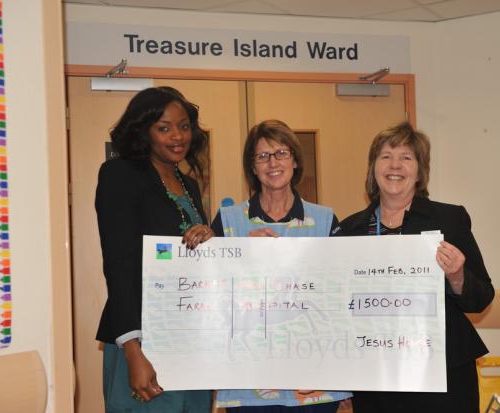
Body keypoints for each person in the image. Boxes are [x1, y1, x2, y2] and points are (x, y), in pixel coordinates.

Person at [339, 122, 494, 413]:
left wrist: (457, 276)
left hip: (442, 372)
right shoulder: (349, 229)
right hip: (374, 372)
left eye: (406, 157)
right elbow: (336, 307)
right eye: (386, 156)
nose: (395, 165)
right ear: (373, 168)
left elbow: (481, 298)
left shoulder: (449, 219)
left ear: (420, 171)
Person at [210, 119, 352, 412]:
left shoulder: (325, 219)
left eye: (281, 153)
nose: (272, 163)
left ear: (295, 161)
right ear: (252, 166)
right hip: (248, 383)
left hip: (314, 381)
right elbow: (210, 292)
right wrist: (240, 253)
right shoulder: (228, 221)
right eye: (262, 156)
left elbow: (341, 294)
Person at [95, 86, 213, 412]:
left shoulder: (189, 185)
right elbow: (118, 263)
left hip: (190, 336)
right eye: (164, 128)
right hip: (144, 338)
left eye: (184, 126)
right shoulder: (120, 174)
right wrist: (133, 350)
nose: (178, 136)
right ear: (143, 132)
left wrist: (209, 239)